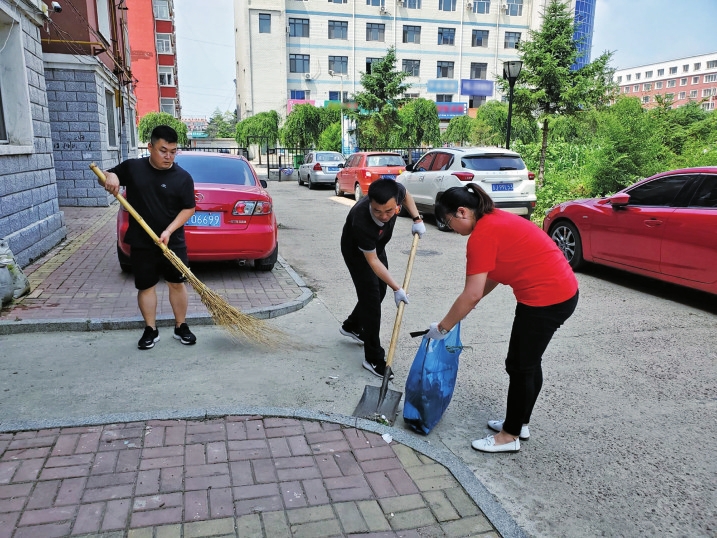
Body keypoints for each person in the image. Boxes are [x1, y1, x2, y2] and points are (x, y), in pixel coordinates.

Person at [424, 184, 578, 453]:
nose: (450, 229)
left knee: (519, 366)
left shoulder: (482, 235)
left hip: (546, 300)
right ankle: (520, 422)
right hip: (560, 293)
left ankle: (509, 436)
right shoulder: (495, 218)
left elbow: (470, 294)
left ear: (462, 212)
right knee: (527, 363)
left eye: (447, 222)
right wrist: (469, 305)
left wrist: (443, 327)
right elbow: (492, 275)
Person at [100, 125, 197, 350]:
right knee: (146, 286)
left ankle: (181, 326)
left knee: (177, 283)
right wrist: (111, 176)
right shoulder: (133, 168)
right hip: (142, 241)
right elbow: (105, 176)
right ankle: (150, 329)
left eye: (173, 151)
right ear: (150, 147)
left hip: (173, 241)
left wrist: (168, 231)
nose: (168, 156)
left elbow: (188, 209)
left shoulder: (182, 177)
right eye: (163, 150)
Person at [340, 179, 426, 377]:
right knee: (371, 300)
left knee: (380, 290)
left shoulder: (396, 192)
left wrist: (417, 219)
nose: (384, 216)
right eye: (378, 211)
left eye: (389, 211)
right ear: (370, 201)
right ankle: (373, 357)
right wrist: (398, 288)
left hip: (376, 246)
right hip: (358, 252)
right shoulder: (362, 220)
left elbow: (406, 195)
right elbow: (372, 262)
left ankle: (352, 325)